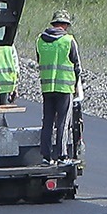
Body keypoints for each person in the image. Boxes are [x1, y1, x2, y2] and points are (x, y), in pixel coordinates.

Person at [36, 10, 78, 163]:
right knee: (62, 122)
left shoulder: (40, 40)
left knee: (47, 121)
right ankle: (61, 155)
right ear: (65, 24)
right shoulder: (68, 40)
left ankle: (46, 156)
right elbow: (77, 66)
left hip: (47, 88)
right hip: (65, 88)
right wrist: (76, 86)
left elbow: (39, 60)